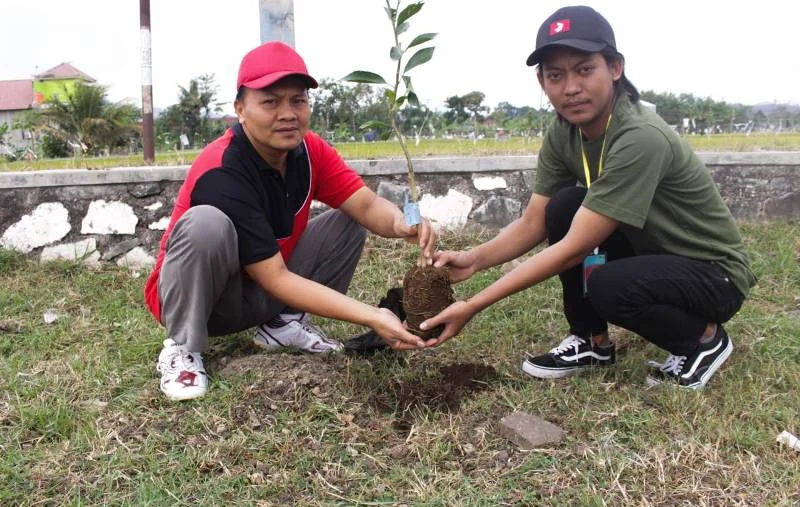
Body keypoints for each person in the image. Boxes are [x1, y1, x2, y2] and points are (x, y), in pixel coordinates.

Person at [420, 5, 756, 389]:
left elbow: (573, 248)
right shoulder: (564, 133)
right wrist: (473, 260)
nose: (571, 88)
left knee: (608, 285)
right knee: (564, 206)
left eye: (584, 69)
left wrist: (473, 305)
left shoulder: (640, 136)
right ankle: (591, 342)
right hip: (656, 258)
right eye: (555, 75)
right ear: (541, 82)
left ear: (615, 68)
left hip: (714, 274)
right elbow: (535, 221)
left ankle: (704, 341)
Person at [144, 41, 435, 401]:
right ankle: (182, 345)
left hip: (259, 294)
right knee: (206, 225)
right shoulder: (221, 169)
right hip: (209, 302)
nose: (288, 113)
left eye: (298, 100)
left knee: (347, 221)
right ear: (240, 109)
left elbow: (367, 204)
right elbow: (276, 279)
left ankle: (283, 326)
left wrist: (404, 222)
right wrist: (373, 316)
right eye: (270, 101)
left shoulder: (311, 152)